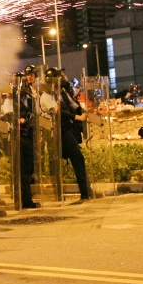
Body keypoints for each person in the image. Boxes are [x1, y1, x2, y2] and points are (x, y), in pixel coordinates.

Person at [57, 73, 91, 201]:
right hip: (62, 131)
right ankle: (84, 192)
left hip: (70, 129)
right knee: (77, 158)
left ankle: (85, 191)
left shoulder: (64, 93)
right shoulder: (54, 95)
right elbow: (60, 111)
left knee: (78, 159)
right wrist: (76, 117)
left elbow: (74, 106)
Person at [17, 67, 38, 209]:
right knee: (24, 169)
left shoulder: (30, 92)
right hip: (21, 135)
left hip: (30, 132)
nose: (29, 77)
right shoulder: (17, 95)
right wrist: (22, 118)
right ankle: (26, 200)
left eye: (31, 75)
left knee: (29, 167)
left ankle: (28, 197)